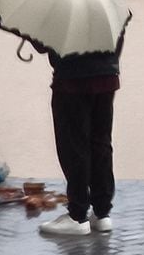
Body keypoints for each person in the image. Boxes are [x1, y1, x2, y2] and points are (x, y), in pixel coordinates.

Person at [38, 35, 123, 237]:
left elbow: (43, 43)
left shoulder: (62, 7)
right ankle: (102, 213)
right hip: (107, 77)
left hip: (72, 81)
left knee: (74, 146)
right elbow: (118, 34)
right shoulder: (108, 4)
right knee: (101, 143)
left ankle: (77, 215)